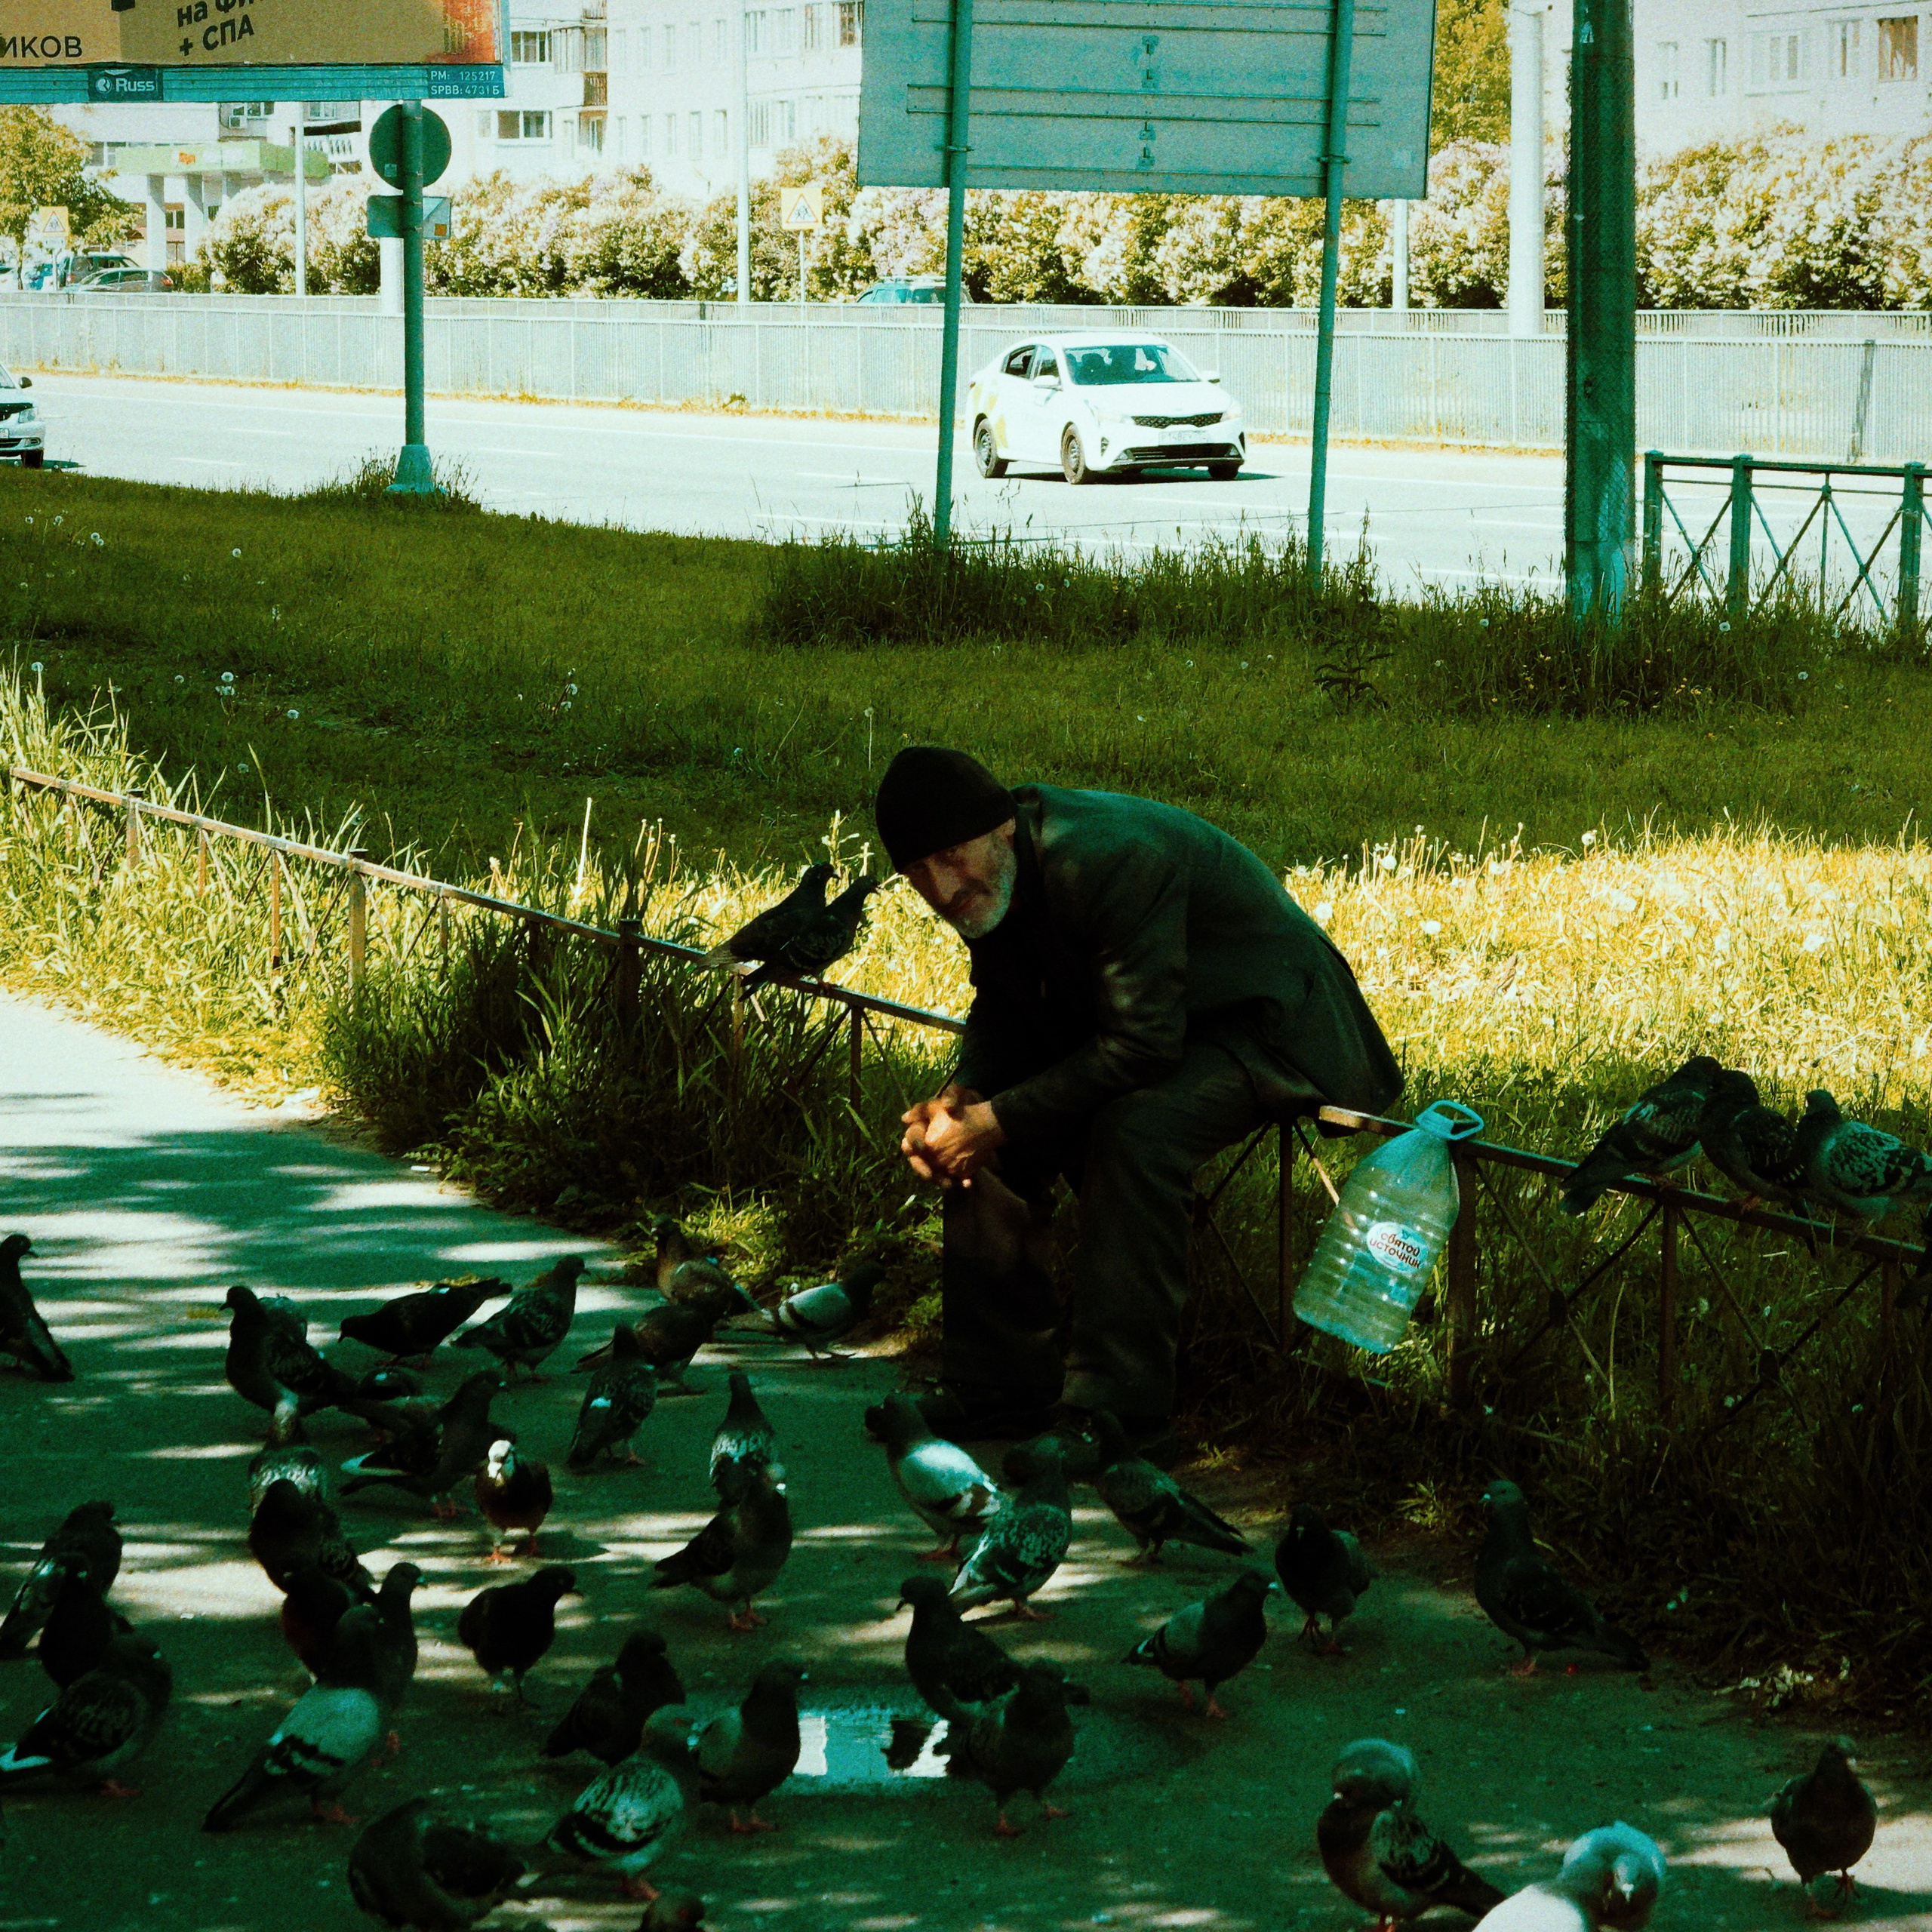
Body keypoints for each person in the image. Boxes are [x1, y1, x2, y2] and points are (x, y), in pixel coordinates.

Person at [876, 746, 1404, 1465]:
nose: (940, 888)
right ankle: (998, 1386)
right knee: (984, 1128)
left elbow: (1143, 1048)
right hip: (1167, 1018)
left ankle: (1118, 1418)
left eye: (949, 857)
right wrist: (962, 1096)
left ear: (1001, 828)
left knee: (1135, 1131)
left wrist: (993, 1121)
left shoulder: (1108, 858)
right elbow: (1003, 1001)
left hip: (1268, 1023)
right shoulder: (997, 866)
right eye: (916, 872)